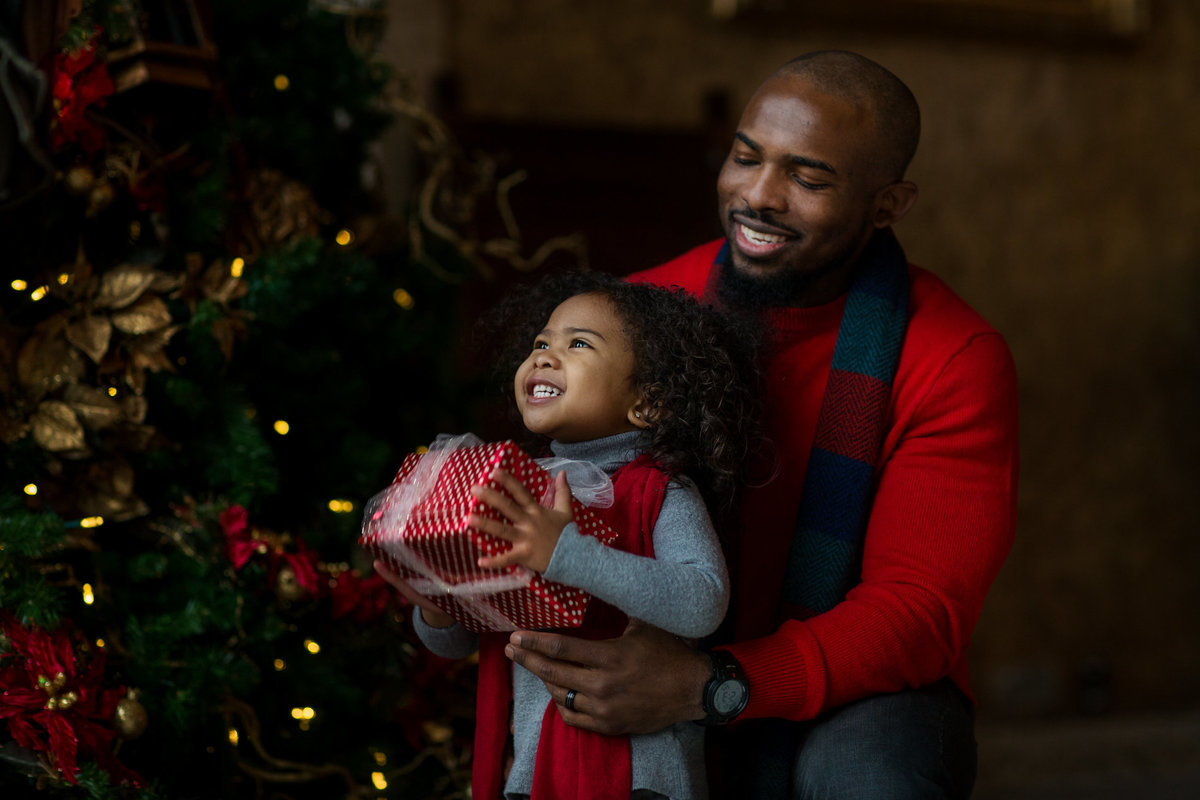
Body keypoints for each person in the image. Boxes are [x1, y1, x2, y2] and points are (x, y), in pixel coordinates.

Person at [500, 50, 1020, 799]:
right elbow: (565, 498)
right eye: (746, 158)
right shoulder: (640, 316)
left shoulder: (952, 357)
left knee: (872, 775)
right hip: (649, 633)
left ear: (888, 204)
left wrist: (709, 685)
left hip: (855, 679)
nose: (759, 195)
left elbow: (917, 612)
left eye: (808, 178)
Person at [376, 271, 762, 799]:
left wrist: (568, 555)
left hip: (641, 777)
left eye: (578, 344)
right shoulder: (513, 488)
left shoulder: (662, 493)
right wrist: (441, 606)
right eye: (540, 343)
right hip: (536, 774)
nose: (544, 355)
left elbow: (702, 604)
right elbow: (464, 642)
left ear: (646, 403)